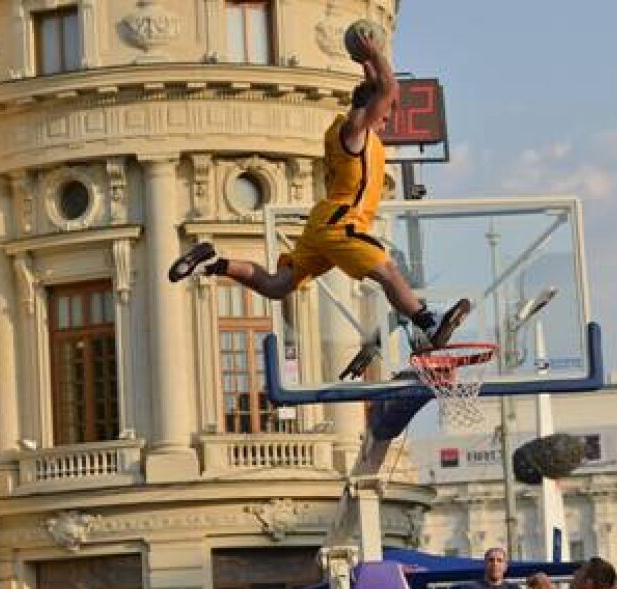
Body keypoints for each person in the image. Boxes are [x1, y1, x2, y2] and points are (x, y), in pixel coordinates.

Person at [169, 29, 470, 358]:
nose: (386, 119)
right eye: (383, 113)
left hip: (322, 225)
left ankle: (213, 263)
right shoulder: (354, 132)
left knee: (277, 285)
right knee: (388, 270)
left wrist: (365, 64)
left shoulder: (347, 131)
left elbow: (377, 91)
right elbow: (388, 88)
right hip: (342, 222)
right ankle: (428, 323)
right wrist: (374, 53)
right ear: (368, 109)